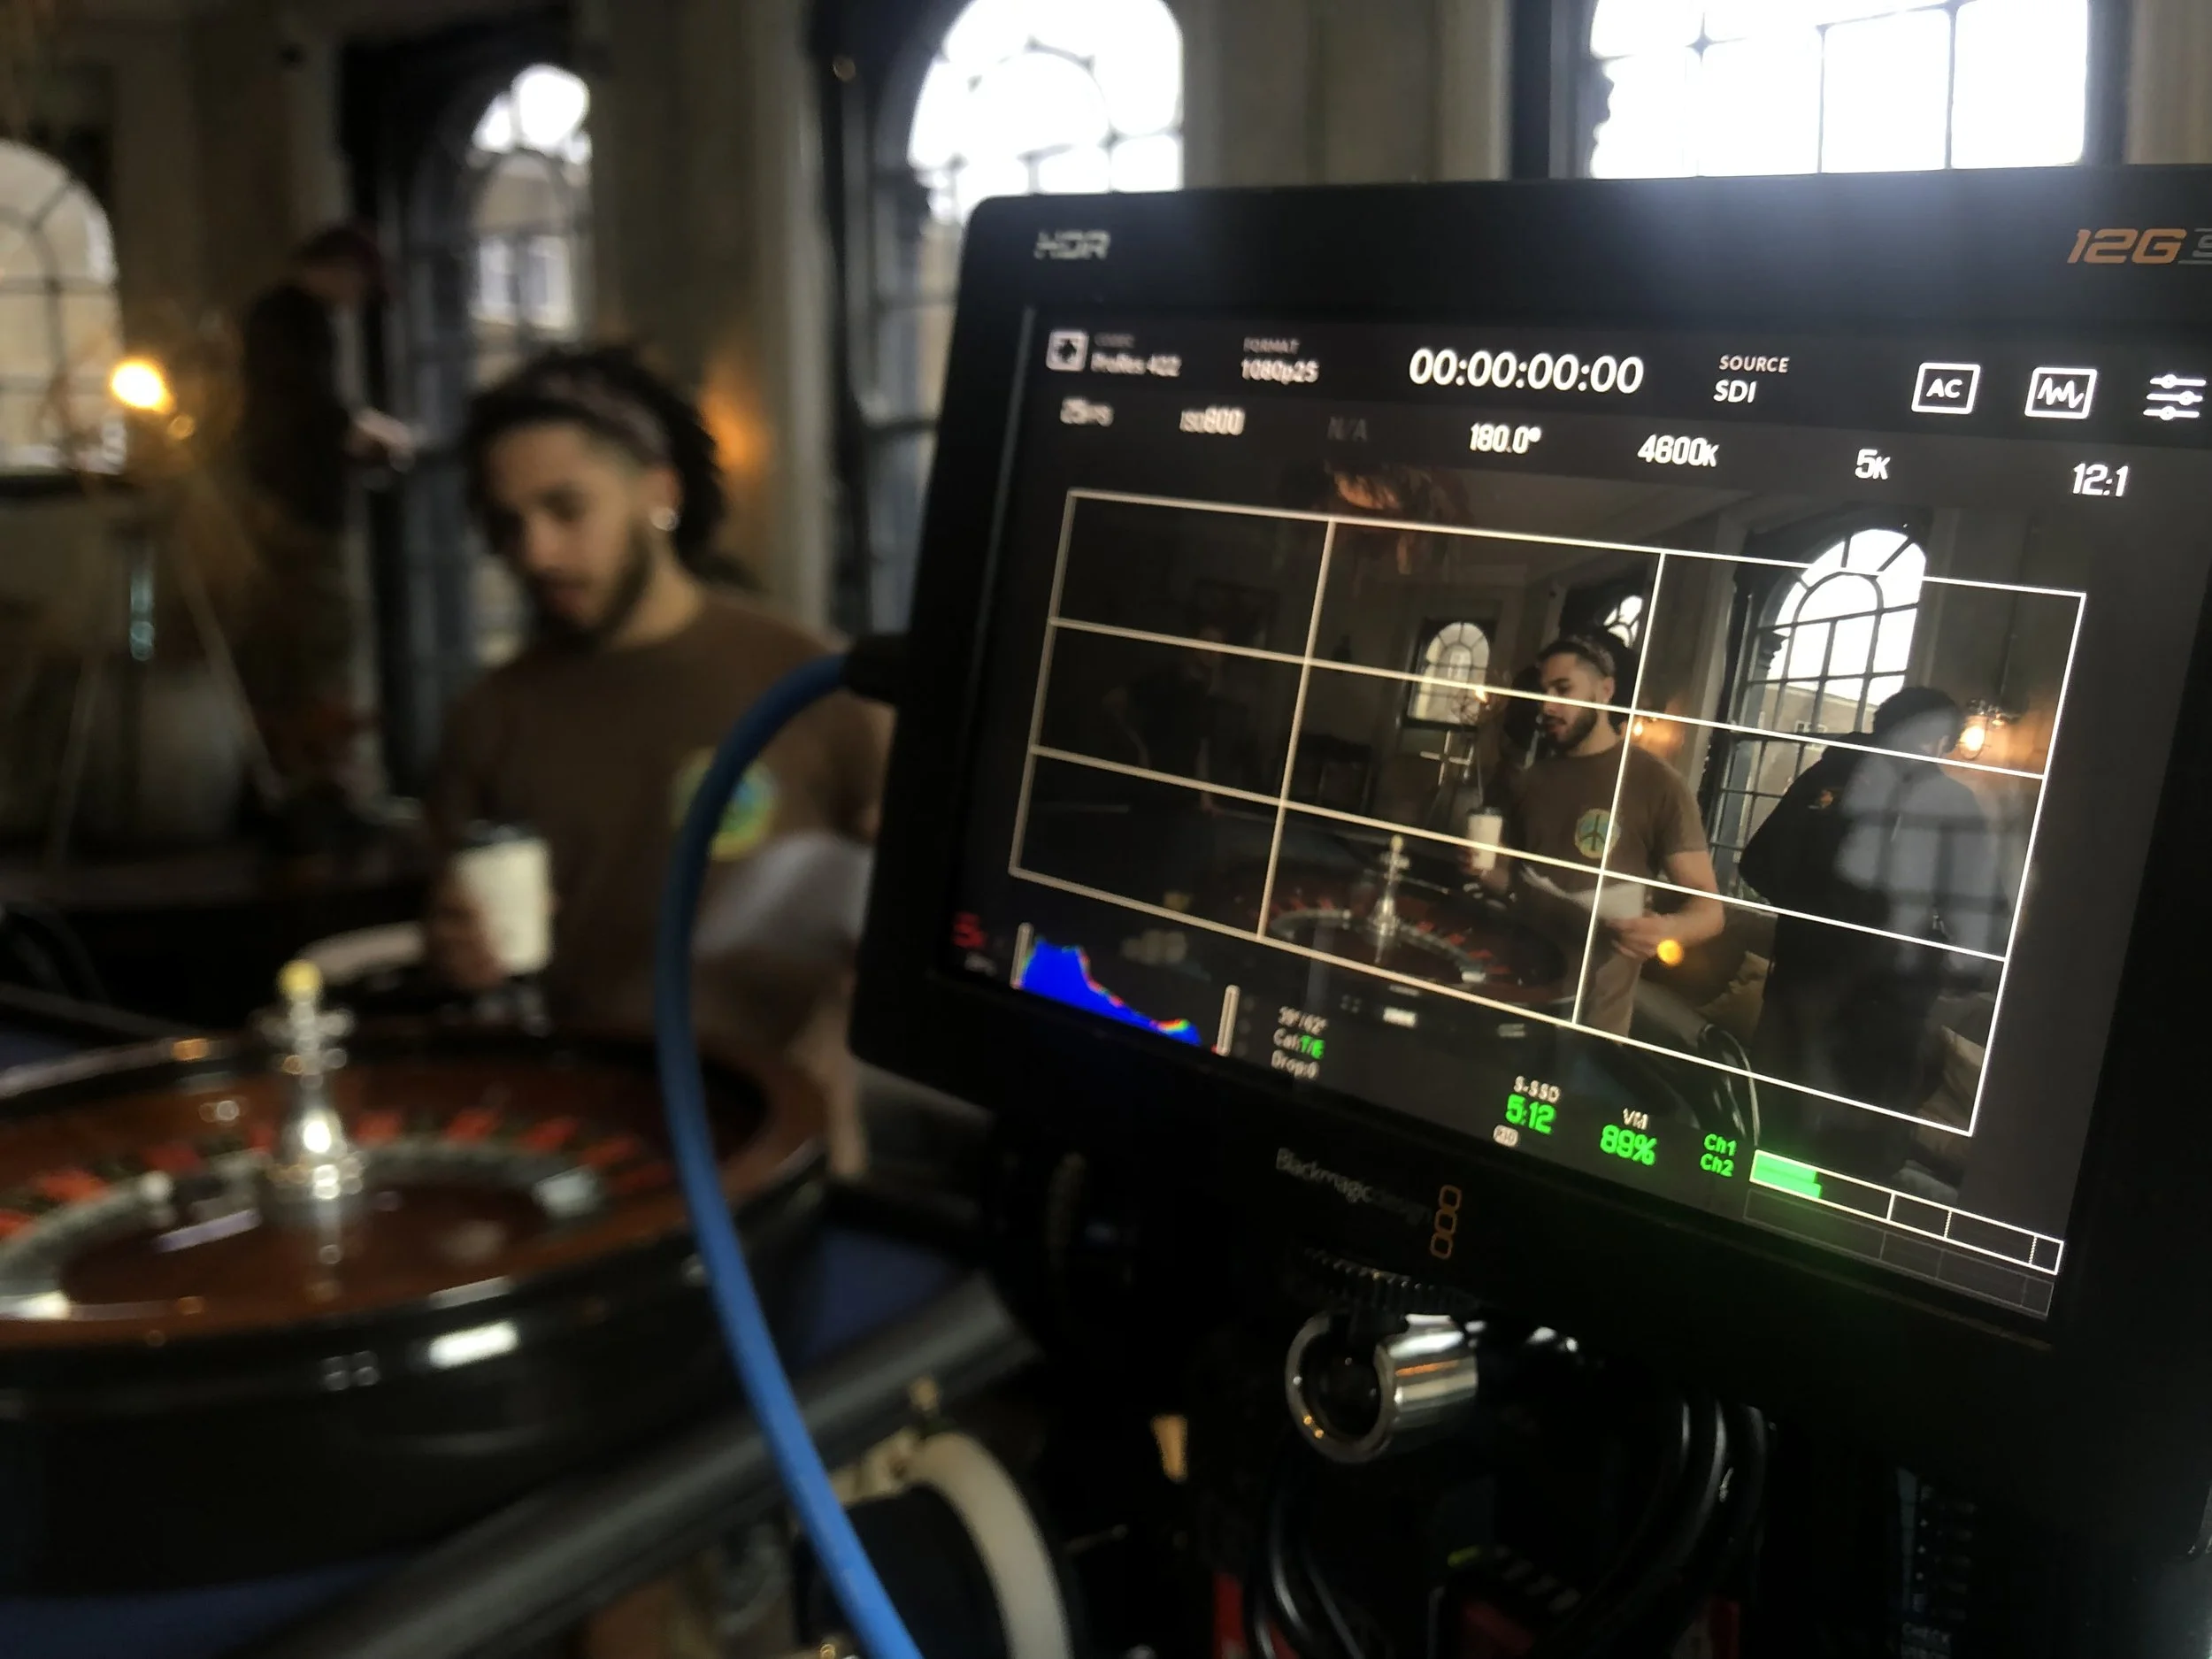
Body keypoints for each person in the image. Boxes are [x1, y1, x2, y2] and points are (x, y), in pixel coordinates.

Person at [423, 346, 887, 1165]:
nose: (535, 553)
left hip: (787, 1134)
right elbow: (453, 939)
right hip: (580, 1136)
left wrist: (853, 1010)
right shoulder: (489, 714)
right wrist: (456, 949)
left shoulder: (810, 679)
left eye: (567, 510)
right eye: (508, 524)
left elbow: (915, 906)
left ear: (659, 492)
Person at [1739, 687, 2005, 1134]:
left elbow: (1759, 863)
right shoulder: (1947, 802)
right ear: (1939, 742)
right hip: (1879, 1003)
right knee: (1848, 1145)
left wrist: (1815, 920)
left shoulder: (1826, 780)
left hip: (1807, 985)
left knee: (1772, 1124)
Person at [233, 222, 413, 793]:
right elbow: (311, 408)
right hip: (298, 506)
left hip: (286, 500)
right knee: (323, 634)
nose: (358, 301)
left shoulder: (280, 320)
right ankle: (323, 777)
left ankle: (305, 773)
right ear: (339, 270)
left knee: (301, 638)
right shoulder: (292, 323)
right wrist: (369, 434)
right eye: (359, 285)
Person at [1469, 634, 1724, 1034]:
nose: (1547, 705)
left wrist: (1666, 930)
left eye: (1563, 689)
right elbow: (1520, 887)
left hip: (1594, 1023)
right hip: (1514, 999)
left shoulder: (1657, 784)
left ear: (1605, 689)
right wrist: (1485, 871)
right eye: (1543, 692)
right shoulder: (1529, 780)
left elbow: (1710, 911)